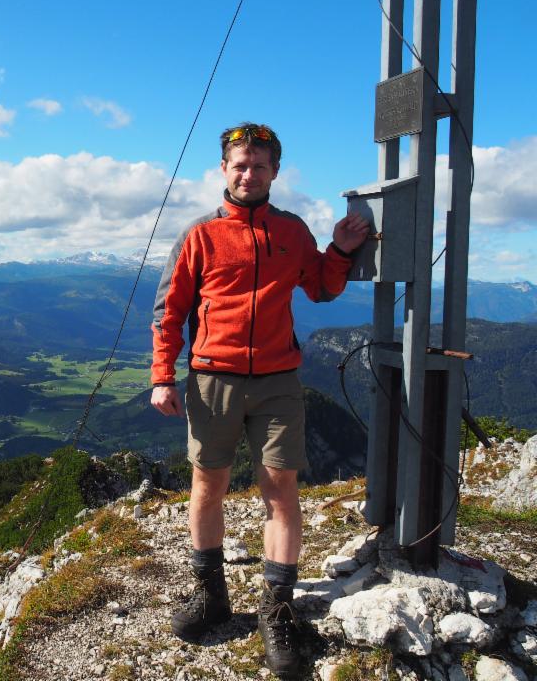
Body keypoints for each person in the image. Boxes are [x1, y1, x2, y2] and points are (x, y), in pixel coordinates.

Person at [150, 123, 368, 677]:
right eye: (240, 165)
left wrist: (340, 251)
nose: (250, 174)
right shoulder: (199, 236)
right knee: (208, 483)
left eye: (260, 165)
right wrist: (162, 376)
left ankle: (277, 609)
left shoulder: (292, 231)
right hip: (210, 379)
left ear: (275, 172)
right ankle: (212, 595)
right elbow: (169, 311)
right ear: (224, 170)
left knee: (281, 488)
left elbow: (320, 287)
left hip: (277, 381)